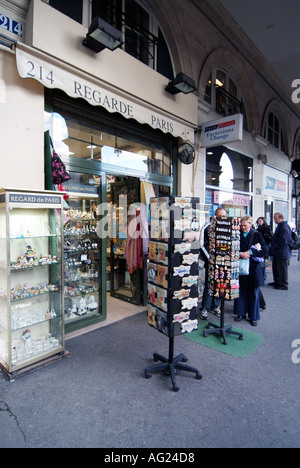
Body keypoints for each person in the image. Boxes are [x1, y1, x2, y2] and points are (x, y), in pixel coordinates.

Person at [234, 216, 268, 326]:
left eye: (245, 225)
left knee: (253, 292)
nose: (243, 227)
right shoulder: (236, 234)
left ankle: (253, 316)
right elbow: (231, 248)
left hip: (253, 267)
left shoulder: (257, 235)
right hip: (240, 266)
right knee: (240, 291)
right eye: (242, 225)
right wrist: (240, 254)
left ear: (250, 225)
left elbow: (265, 251)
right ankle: (240, 313)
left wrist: (251, 253)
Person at [199, 207, 227, 321]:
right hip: (211, 263)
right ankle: (205, 308)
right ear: (215, 215)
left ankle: (215, 306)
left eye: (223, 216)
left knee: (220, 284)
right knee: (209, 284)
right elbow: (202, 245)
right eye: (219, 216)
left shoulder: (226, 227)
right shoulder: (207, 227)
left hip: (224, 263)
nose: (221, 218)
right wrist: (210, 259)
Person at [269, 212, 292, 290]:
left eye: (276, 218)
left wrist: (275, 246)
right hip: (279, 252)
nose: (274, 220)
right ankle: (278, 281)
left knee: (282, 269)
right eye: (274, 218)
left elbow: (283, 240)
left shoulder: (284, 227)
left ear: (281, 218)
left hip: (282, 252)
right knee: (276, 268)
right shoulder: (281, 226)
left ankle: (283, 284)